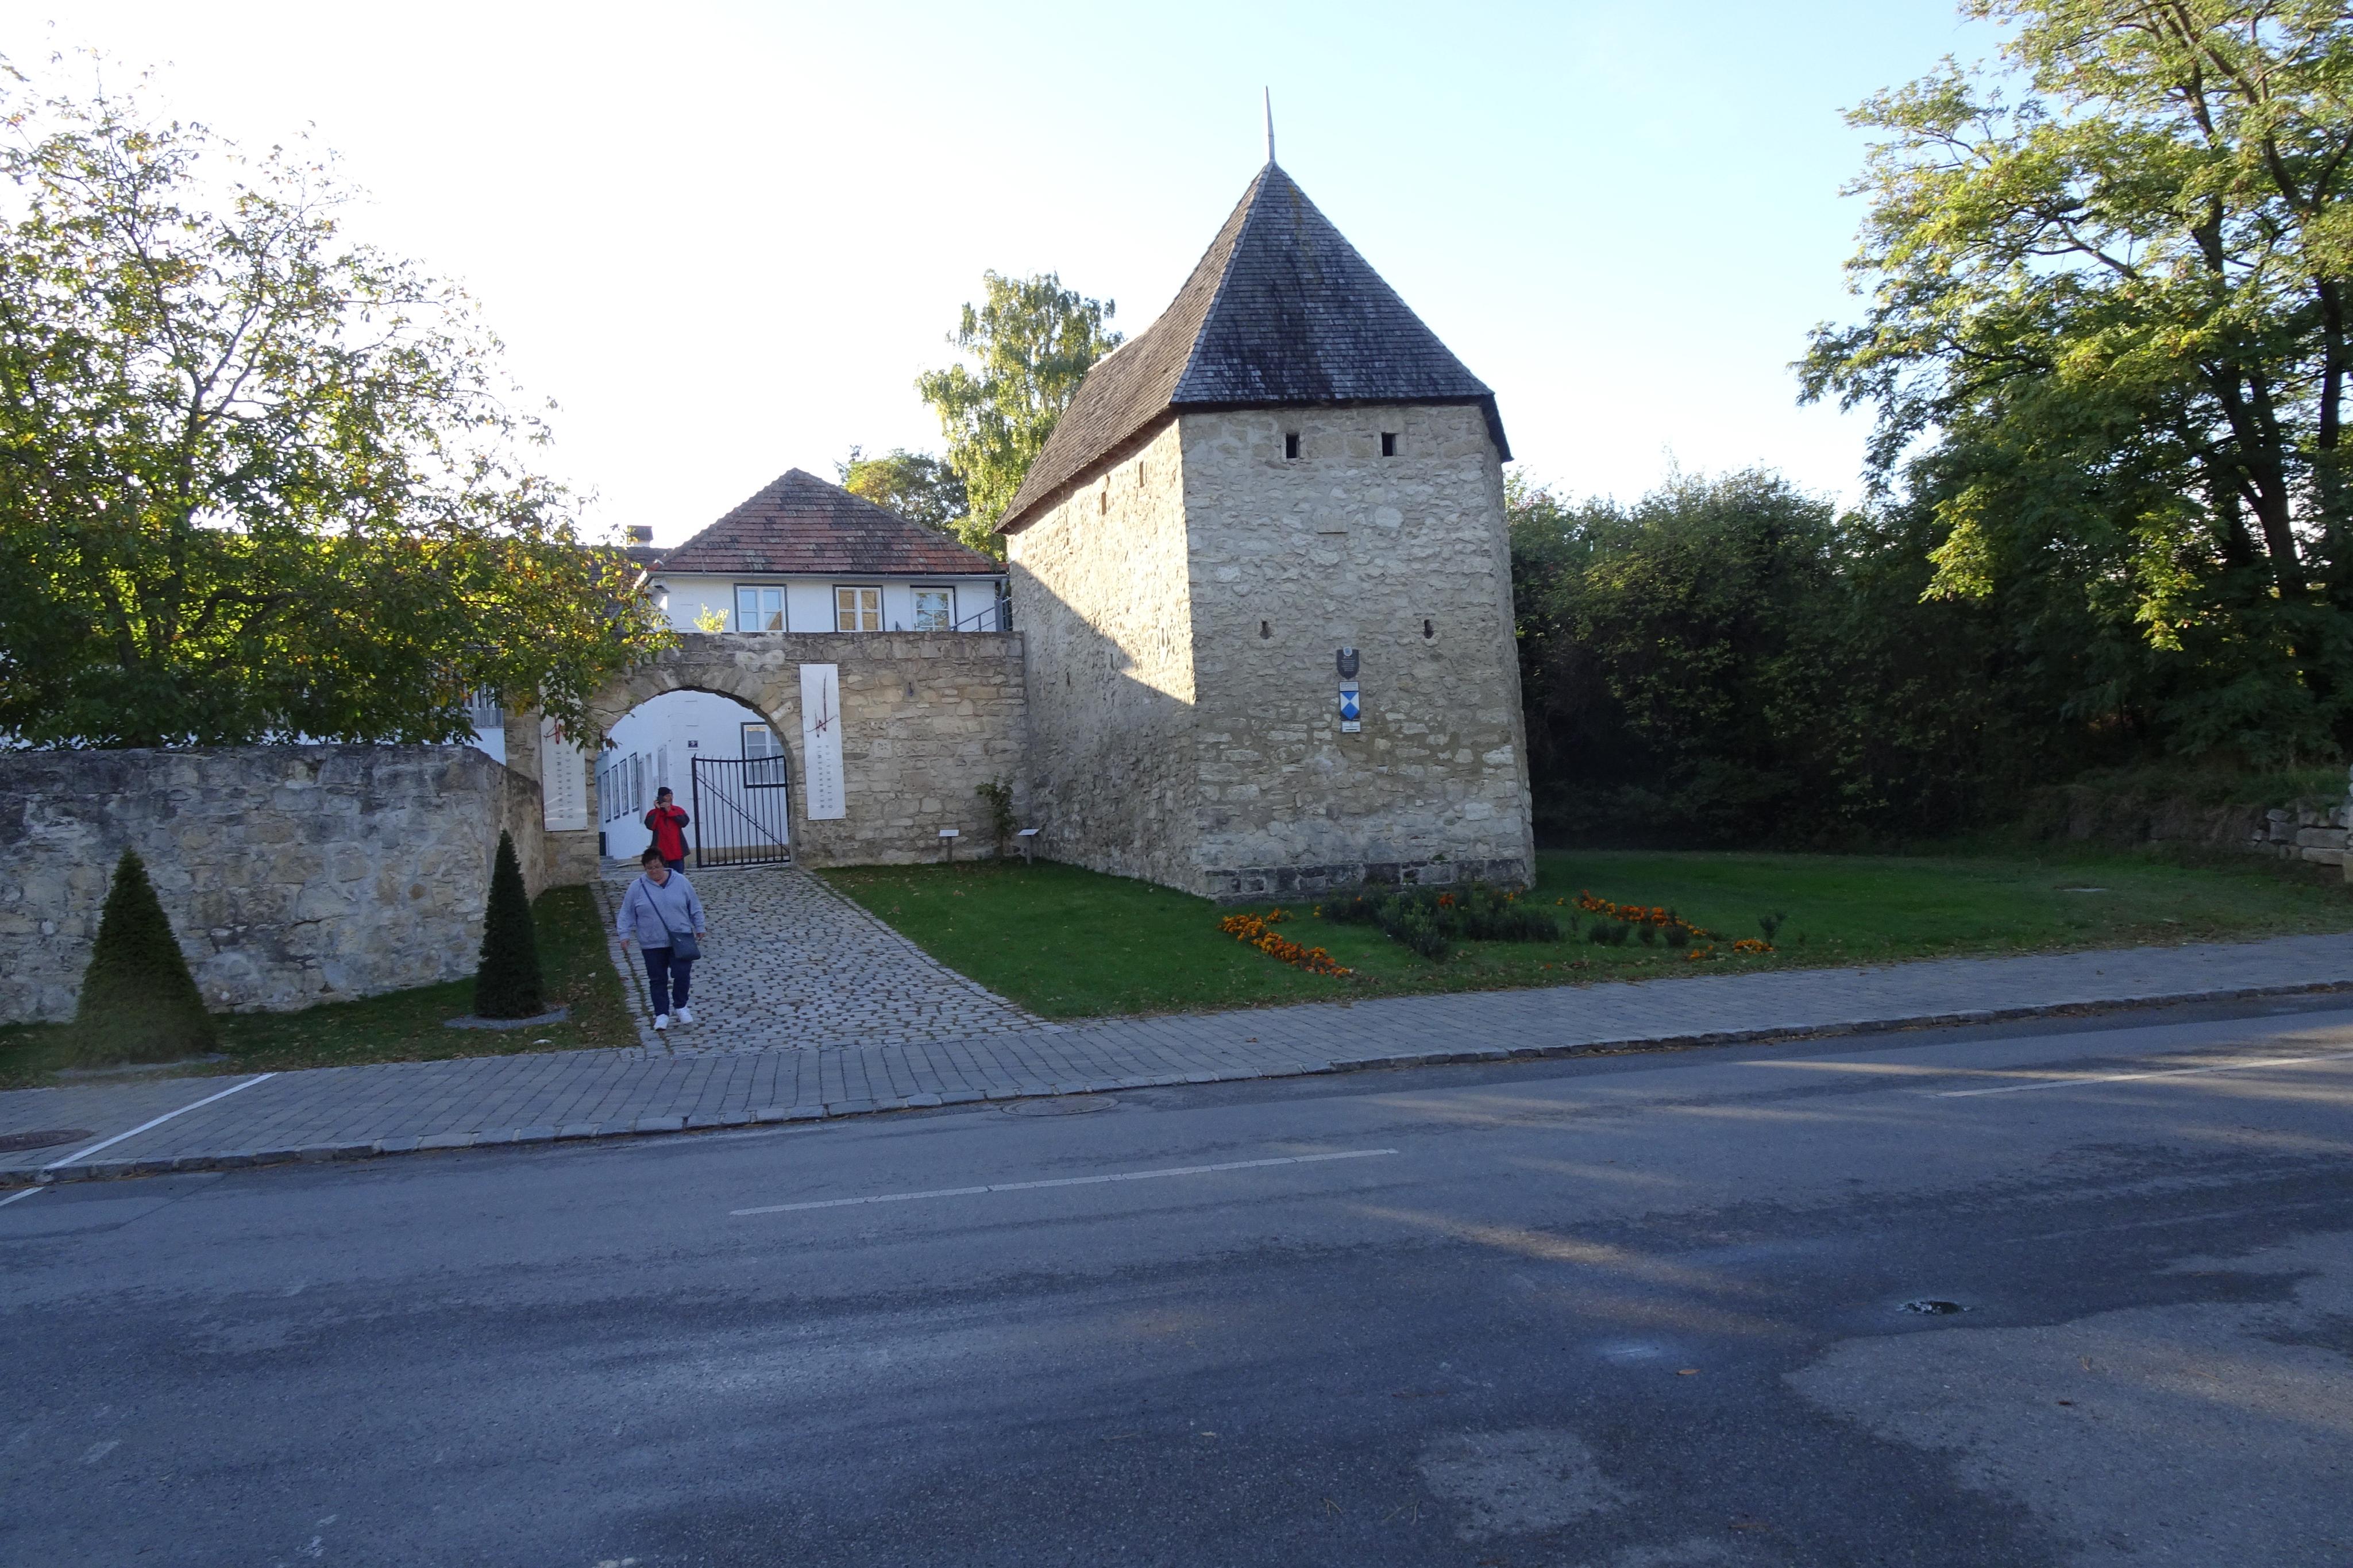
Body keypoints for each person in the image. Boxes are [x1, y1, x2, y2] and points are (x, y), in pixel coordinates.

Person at [616, 845, 706, 1031]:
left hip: (680, 938)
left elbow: (695, 905)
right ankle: (661, 1014)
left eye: (657, 867)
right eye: (649, 868)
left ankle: (681, 1006)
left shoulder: (680, 882)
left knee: (682, 973)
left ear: (663, 865)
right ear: (644, 868)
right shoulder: (637, 887)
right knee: (657, 979)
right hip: (651, 942)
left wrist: (699, 926)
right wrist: (624, 934)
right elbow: (626, 912)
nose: (654, 871)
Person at [642, 787, 690, 873]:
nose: (671, 798)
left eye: (671, 796)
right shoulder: (653, 813)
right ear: (661, 798)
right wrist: (658, 811)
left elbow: (684, 823)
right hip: (660, 853)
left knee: (678, 876)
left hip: (677, 851)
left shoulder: (678, 810)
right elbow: (650, 826)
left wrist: (670, 812)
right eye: (667, 796)